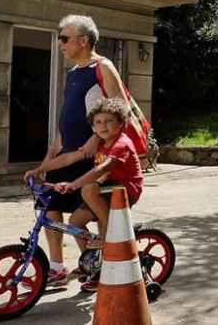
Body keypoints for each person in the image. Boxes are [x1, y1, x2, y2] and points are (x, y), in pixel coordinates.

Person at [22, 15, 127, 286]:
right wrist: (50, 156)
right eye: (60, 38)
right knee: (50, 209)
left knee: (83, 216)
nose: (60, 43)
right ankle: (57, 268)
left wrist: (96, 137)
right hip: (67, 153)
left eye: (65, 38)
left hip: (92, 158)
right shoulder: (73, 73)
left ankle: (95, 267)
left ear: (84, 40)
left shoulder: (102, 66)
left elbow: (120, 107)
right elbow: (66, 119)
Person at [30, 97, 144, 291]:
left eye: (109, 121)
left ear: (121, 124)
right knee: (75, 222)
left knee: (88, 189)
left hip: (126, 189)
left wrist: (74, 184)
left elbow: (103, 169)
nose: (103, 126)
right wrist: (40, 169)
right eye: (98, 122)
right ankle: (92, 267)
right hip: (107, 187)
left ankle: (110, 234)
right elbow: (67, 158)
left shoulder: (121, 143)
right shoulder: (98, 142)